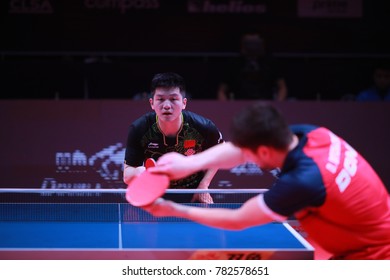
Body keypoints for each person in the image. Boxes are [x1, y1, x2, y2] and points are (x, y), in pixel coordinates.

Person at [144, 102, 390, 260]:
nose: (244, 158)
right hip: (364, 240)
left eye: (249, 155)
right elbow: (238, 151)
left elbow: (237, 220)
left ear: (262, 152)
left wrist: (174, 209)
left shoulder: (303, 182)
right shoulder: (313, 133)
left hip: (373, 257)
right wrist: (188, 164)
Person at [123, 72, 223, 203]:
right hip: (154, 197)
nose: (167, 106)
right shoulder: (139, 129)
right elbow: (127, 176)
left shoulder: (203, 127)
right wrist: (142, 172)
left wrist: (203, 185)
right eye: (160, 99)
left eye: (173, 99)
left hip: (192, 194)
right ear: (152, 103)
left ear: (184, 103)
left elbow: (220, 152)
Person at [216, 32, 288, 101]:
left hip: (265, 103)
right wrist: (226, 107)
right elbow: (222, 91)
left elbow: (282, 87)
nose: (252, 47)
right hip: (239, 103)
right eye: (248, 44)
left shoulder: (271, 63)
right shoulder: (234, 64)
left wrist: (279, 104)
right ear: (242, 45)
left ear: (262, 45)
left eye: (255, 44)